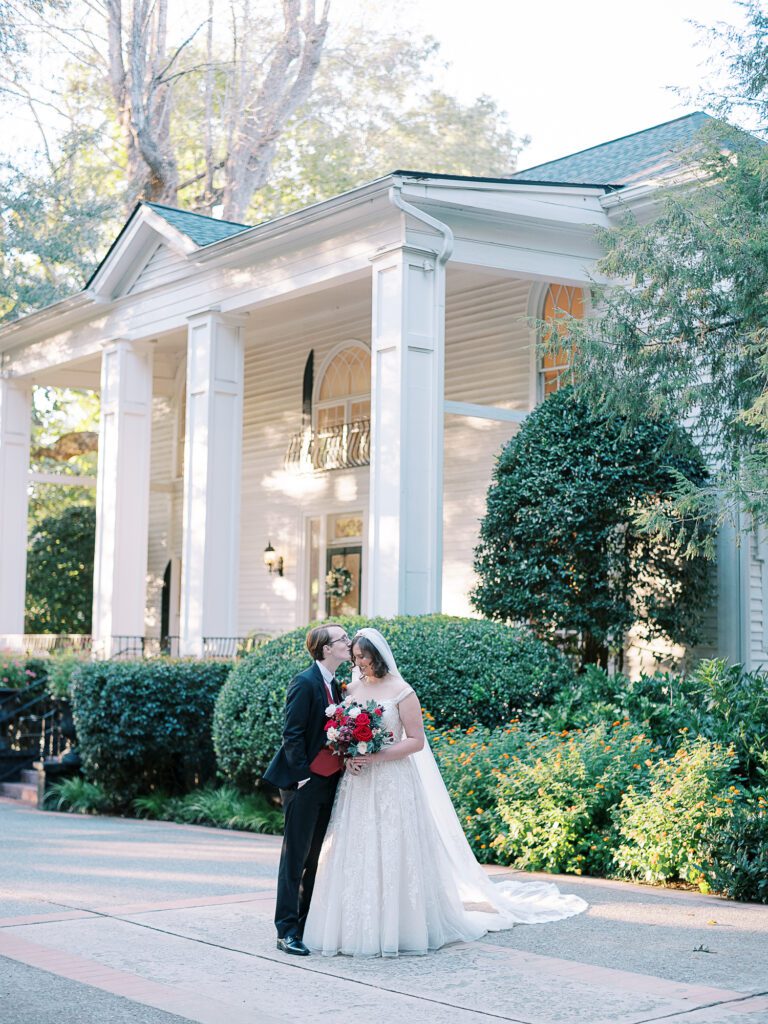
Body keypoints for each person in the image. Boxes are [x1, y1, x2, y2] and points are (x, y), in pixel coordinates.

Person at [302, 627, 588, 958]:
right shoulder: (349, 689)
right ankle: (353, 927)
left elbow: (415, 741)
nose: (359, 663)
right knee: (359, 849)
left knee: (395, 848)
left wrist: (375, 755)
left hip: (394, 781)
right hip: (360, 784)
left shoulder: (403, 692)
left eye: (364, 657)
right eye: (355, 658)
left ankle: (401, 927)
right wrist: (350, 756)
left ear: (378, 657)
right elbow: (341, 733)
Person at [263, 623, 351, 956]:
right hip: (304, 784)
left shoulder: (338, 687)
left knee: (316, 859)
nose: (348, 642)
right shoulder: (305, 682)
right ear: (326, 649)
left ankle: (304, 924)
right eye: (342, 639)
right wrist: (301, 778)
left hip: (330, 783)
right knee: (295, 859)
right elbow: (293, 734)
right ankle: (286, 931)